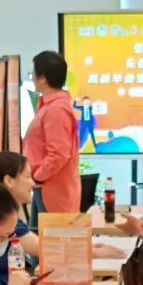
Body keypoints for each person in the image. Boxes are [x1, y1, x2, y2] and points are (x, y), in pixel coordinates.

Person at [0, 152, 124, 285]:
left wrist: (87, 247)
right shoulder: (2, 218)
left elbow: (44, 245)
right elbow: (47, 249)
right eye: (28, 177)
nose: (33, 183)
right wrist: (96, 253)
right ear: (9, 181)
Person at [23, 51, 81, 224]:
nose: (32, 78)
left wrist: (37, 177)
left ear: (43, 78)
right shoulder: (49, 105)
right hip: (45, 186)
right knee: (37, 238)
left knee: (52, 239)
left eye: (33, 74)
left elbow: (59, 154)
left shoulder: (56, 109)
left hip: (52, 189)